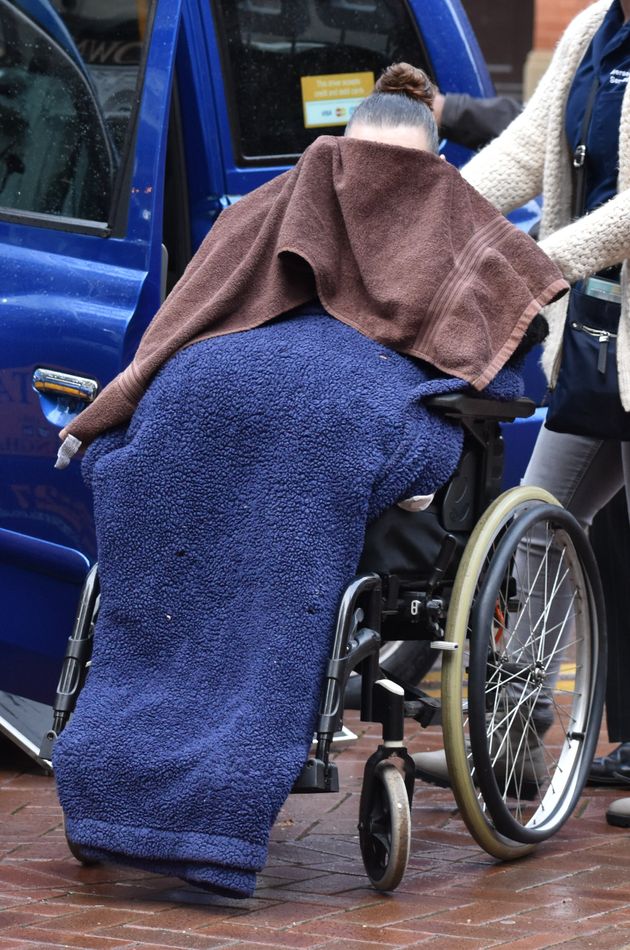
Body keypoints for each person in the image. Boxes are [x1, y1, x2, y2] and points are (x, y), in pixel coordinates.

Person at [51, 64, 565, 895]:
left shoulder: (283, 200)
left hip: (219, 389)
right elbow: (509, 367)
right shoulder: (453, 222)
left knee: (188, 440)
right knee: (283, 451)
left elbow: (185, 318)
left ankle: (118, 764)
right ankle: (220, 775)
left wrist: (117, 405)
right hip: (315, 408)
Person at [412, 1, 630, 823]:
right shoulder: (591, 31)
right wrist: (433, 217)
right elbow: (526, 151)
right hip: (603, 344)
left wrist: (533, 259)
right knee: (534, 531)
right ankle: (508, 740)